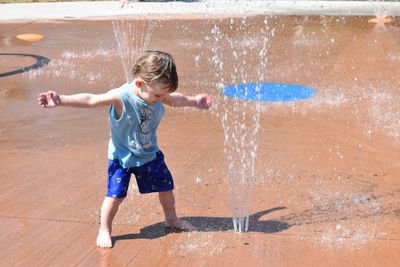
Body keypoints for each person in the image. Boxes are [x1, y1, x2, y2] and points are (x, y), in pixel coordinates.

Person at [38, 50, 212, 248]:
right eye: (157, 95)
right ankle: (104, 228)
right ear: (139, 83)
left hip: (149, 153)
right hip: (122, 157)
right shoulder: (121, 97)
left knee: (166, 187)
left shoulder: (157, 93)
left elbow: (176, 99)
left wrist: (195, 101)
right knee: (115, 196)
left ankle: (171, 219)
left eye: (163, 95)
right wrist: (60, 100)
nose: (161, 99)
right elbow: (91, 100)